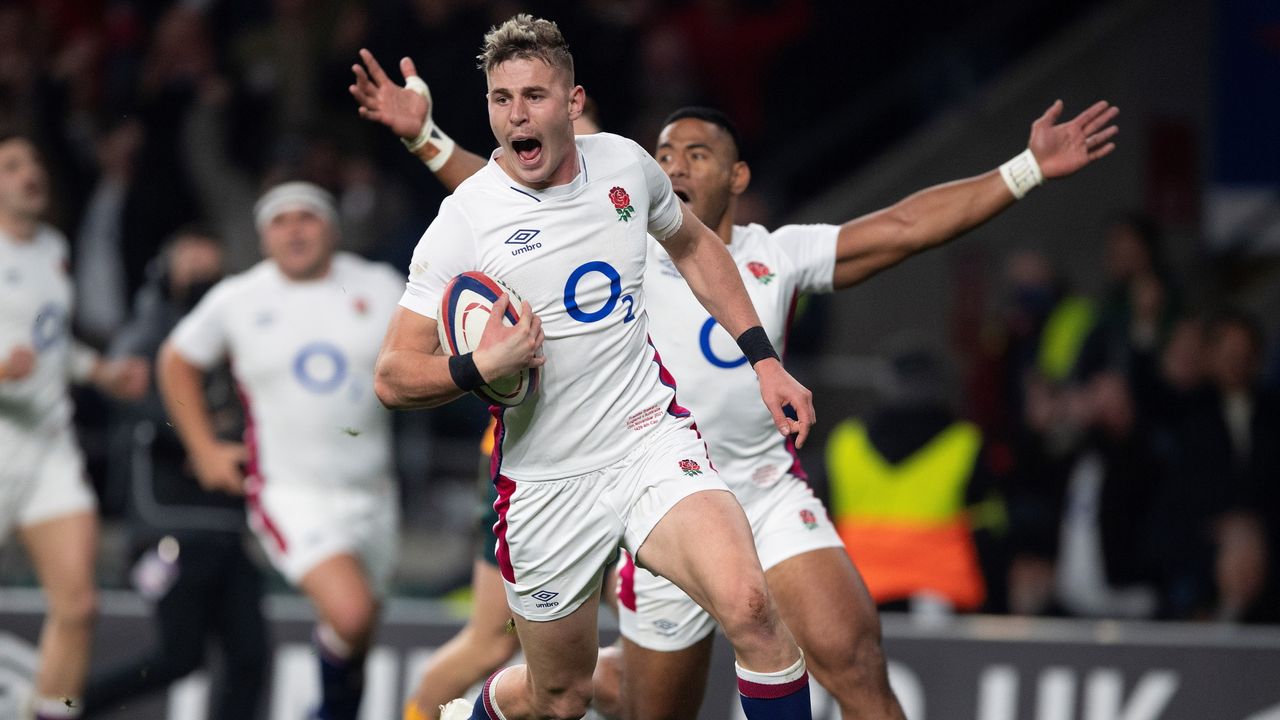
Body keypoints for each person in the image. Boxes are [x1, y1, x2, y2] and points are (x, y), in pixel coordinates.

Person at [353, 30, 1117, 716]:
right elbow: (506, 204)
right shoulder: (615, 229)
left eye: (696, 154)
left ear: (738, 174)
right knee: (573, 696)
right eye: (667, 152)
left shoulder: (768, 254)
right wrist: (425, 137)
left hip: (715, 476)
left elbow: (904, 228)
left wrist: (1024, 171)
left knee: (820, 646)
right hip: (570, 484)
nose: (674, 164)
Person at [369, 14, 817, 720]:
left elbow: (695, 247)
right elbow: (392, 375)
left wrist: (764, 360)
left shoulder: (626, 166)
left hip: (648, 442)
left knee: (752, 607)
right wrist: (479, 364)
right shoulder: (466, 219)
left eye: (535, 96)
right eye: (501, 98)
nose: (517, 114)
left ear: (572, 104)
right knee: (560, 697)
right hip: (546, 483)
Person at [156, 182, 405, 720]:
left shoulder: (382, 286)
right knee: (351, 613)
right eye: (280, 221)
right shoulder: (238, 298)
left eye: (307, 218)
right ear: (264, 236)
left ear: (332, 229)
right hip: (292, 492)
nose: (295, 230)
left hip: (375, 490)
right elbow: (175, 361)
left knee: (356, 637)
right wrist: (203, 448)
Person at [81, 230, 268, 719]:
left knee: (249, 657)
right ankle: (68, 709)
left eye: (213, 271)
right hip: (167, 524)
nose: (204, 281)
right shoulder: (147, 332)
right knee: (177, 656)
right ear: (166, 273)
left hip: (227, 526)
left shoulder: (232, 333)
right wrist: (198, 438)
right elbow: (137, 400)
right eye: (193, 268)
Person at [0, 132, 148, 720]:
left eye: (35, 160)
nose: (29, 171)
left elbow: (51, 345)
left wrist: (101, 371)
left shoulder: (53, 249)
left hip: (48, 446)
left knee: (79, 604)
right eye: (11, 164)